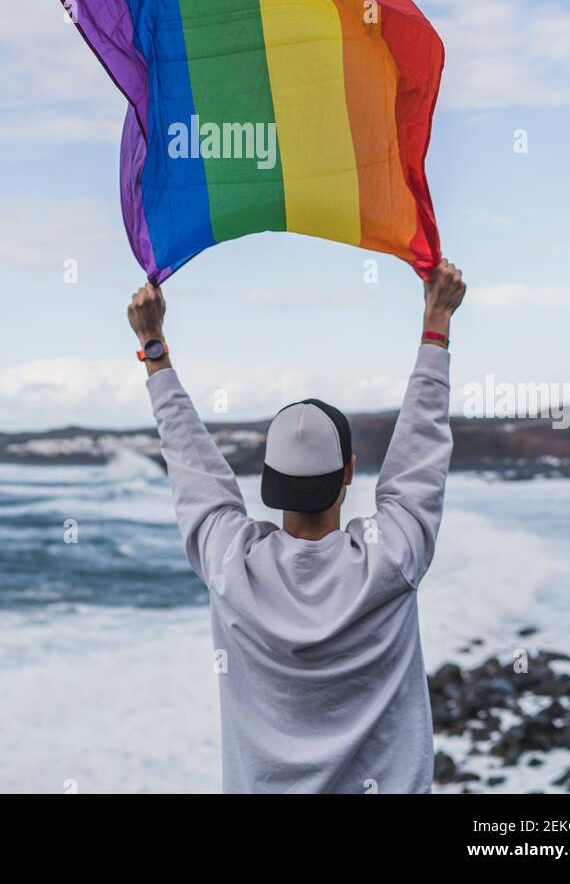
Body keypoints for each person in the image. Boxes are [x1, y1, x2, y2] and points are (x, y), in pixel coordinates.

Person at [127, 258, 466, 795]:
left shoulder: (229, 565)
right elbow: (422, 449)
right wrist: (437, 321)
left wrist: (154, 346)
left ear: (268, 480)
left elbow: (190, 462)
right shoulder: (392, 556)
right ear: (349, 473)